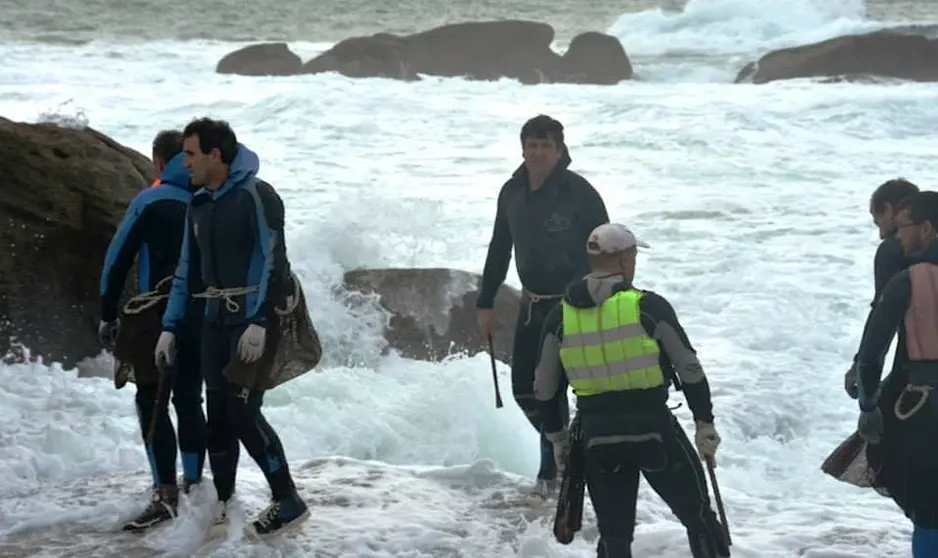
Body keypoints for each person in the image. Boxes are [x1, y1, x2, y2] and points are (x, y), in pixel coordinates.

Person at [532, 223, 730, 558]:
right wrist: (704, 424)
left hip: (596, 434)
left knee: (615, 536)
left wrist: (558, 441)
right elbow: (689, 369)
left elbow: (544, 387)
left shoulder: (559, 316)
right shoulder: (648, 307)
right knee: (698, 520)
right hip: (653, 427)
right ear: (625, 261)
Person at [155, 117, 309, 539]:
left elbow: (276, 261)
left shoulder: (258, 196)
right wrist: (170, 326)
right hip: (213, 322)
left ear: (215, 154)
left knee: (243, 413)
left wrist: (260, 322)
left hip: (251, 321)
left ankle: (288, 498)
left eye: (190, 154)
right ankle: (225, 503)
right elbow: (188, 270)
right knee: (217, 417)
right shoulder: (199, 204)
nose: (183, 162)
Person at [476, 114, 609, 497]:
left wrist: (603, 297)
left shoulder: (579, 192)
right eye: (531, 146)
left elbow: (606, 246)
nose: (537, 153)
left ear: (559, 150)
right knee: (524, 390)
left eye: (545, 146)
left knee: (557, 388)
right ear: (522, 148)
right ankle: (564, 451)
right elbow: (500, 245)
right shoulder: (512, 191)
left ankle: (551, 473)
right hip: (531, 305)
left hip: (574, 306)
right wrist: (486, 301)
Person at [97, 129, 207, 531]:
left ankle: (165, 495)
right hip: (203, 314)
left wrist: (108, 314)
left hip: (155, 317)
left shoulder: (151, 200)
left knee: (150, 398)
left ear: (159, 163)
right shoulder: (208, 196)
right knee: (191, 399)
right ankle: (195, 483)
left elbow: (117, 261)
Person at [854, 191, 938, 557]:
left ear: (928, 229)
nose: (897, 237)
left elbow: (871, 357)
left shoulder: (909, 281)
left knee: (929, 511)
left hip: (925, 409)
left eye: (903, 228)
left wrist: (869, 405)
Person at [845, 178, 919, 398]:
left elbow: (883, 319)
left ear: (888, 209)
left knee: (877, 426)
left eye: (878, 222)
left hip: (915, 366)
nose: (880, 234)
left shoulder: (893, 250)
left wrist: (861, 367)